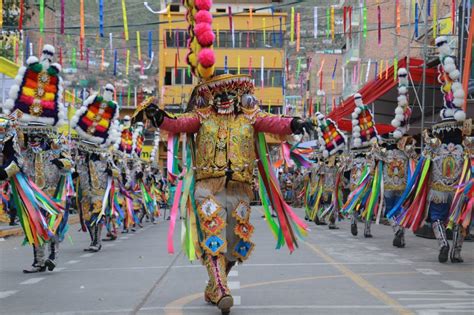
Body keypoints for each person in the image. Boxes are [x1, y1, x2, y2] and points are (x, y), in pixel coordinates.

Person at [71, 83, 121, 253]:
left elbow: (116, 170)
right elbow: (73, 163)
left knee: (97, 210)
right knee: (85, 211)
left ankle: (97, 240)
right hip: (84, 184)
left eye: (110, 92)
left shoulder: (106, 147)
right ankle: (94, 239)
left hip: (99, 186)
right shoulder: (81, 149)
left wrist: (110, 171)